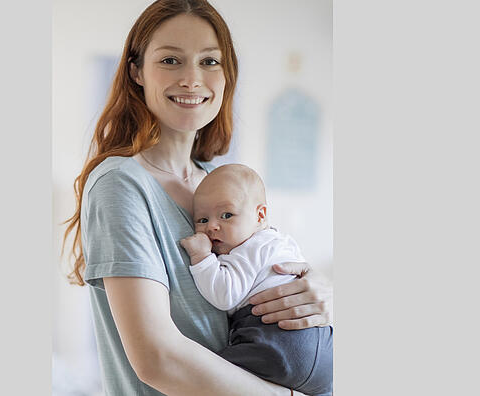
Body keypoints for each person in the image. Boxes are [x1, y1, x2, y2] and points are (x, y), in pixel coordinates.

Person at [62, 1, 333, 395]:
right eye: (171, 60)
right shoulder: (121, 183)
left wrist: (319, 292)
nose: (192, 79)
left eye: (209, 62)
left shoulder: (214, 184)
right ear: (136, 71)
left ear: (227, 75)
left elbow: (267, 263)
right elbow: (158, 360)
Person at [179, 164, 333, 396]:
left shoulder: (247, 250)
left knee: (204, 374)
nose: (212, 226)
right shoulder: (279, 241)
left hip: (279, 344)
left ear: (260, 215)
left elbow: (224, 296)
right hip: (325, 353)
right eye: (202, 219)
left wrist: (201, 257)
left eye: (226, 215)